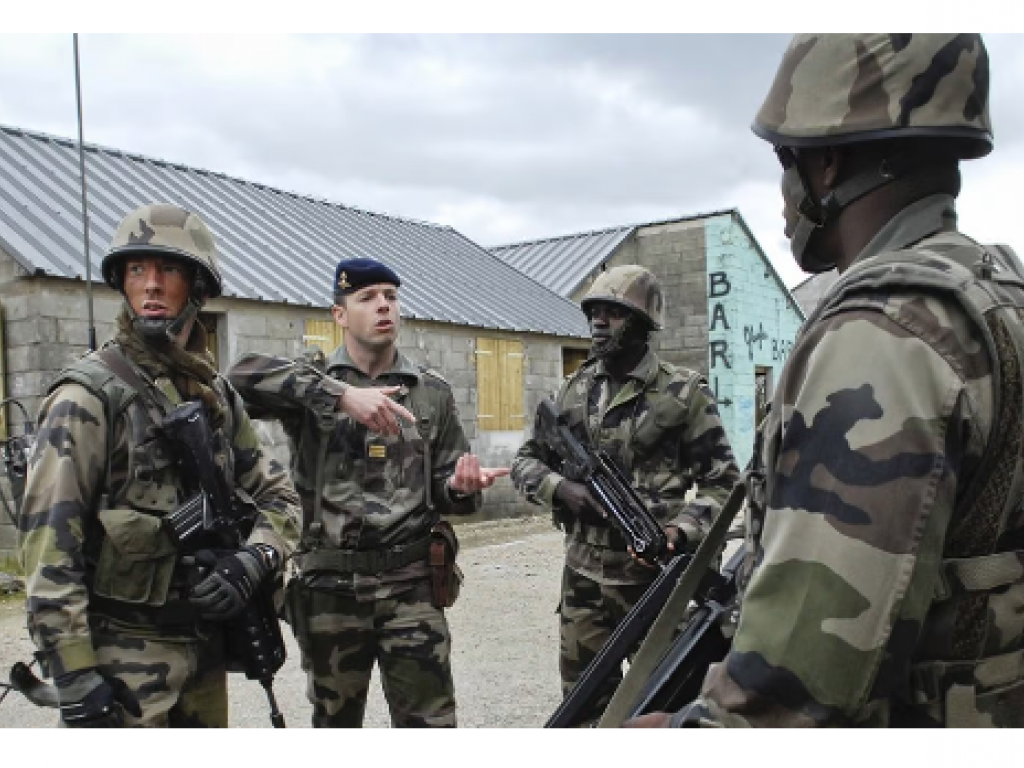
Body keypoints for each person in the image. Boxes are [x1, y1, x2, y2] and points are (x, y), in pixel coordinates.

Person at [627, 33, 1024, 728]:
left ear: (828, 163)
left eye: (788, 161)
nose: (783, 194)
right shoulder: (998, 295)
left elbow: (806, 673)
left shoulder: (884, 328)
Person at [19, 203, 302, 727]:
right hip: (123, 660)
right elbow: (48, 542)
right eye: (136, 270)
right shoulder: (88, 397)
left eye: (168, 270)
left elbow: (278, 497)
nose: (150, 285)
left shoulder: (215, 395)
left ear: (196, 286)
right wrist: (75, 674)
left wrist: (254, 559)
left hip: (203, 649)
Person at [227, 257, 508, 728]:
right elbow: (236, 381)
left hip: (412, 589)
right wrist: (337, 394)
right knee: (336, 727)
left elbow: (446, 488)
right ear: (339, 315)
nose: (384, 306)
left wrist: (460, 487)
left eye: (391, 297)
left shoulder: (429, 392)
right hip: (331, 592)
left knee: (430, 728)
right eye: (368, 297)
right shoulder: (310, 383)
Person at [511, 264, 740, 723]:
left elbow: (723, 481)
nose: (598, 322)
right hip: (584, 582)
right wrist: (562, 490)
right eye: (594, 311)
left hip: (656, 585)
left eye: (613, 312)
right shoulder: (572, 391)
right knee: (584, 709)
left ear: (644, 322)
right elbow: (525, 462)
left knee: (663, 709)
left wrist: (682, 529)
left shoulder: (683, 393)